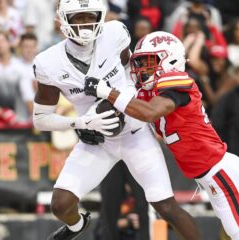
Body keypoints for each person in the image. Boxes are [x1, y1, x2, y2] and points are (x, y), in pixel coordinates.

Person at [84, 31, 239, 240]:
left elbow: (150, 112)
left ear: (171, 60)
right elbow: (136, 106)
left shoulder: (175, 82)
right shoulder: (149, 92)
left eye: (149, 61)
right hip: (212, 178)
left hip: (221, 174)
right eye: (140, 62)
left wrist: (108, 92)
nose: (141, 69)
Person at [33, 1, 200, 240]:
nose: (84, 24)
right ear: (63, 20)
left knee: (166, 207)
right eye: (77, 18)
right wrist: (82, 123)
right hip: (97, 140)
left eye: (89, 16)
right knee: (60, 205)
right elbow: (40, 119)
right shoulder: (49, 63)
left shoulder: (114, 34)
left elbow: (133, 74)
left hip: (135, 133)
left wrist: (125, 102)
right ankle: (77, 225)